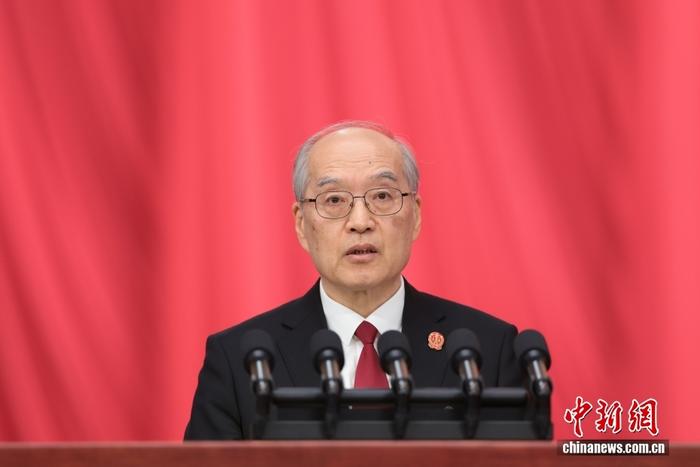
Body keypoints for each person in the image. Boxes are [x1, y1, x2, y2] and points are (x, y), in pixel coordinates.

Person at [184, 121, 521, 440]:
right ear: (301, 224)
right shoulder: (238, 360)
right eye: (334, 200)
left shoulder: (488, 349)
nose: (360, 221)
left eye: (382, 196)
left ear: (415, 214)